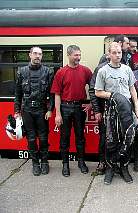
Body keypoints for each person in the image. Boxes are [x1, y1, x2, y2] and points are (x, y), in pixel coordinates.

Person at [95, 42, 138, 185]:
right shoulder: (102, 71)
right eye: (114, 53)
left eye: (119, 53)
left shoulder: (127, 69)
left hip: (127, 109)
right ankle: (110, 169)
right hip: (112, 109)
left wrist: (137, 109)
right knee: (111, 141)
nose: (117, 55)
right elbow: (97, 92)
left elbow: (132, 90)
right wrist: (114, 96)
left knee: (127, 139)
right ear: (108, 54)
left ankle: (124, 168)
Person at [51, 45, 92, 177]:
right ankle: (65, 165)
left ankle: (81, 162)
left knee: (80, 138)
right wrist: (57, 114)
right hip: (65, 108)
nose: (78, 58)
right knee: (65, 138)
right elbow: (56, 94)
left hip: (80, 107)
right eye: (76, 55)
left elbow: (95, 88)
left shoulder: (86, 71)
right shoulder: (61, 72)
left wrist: (91, 103)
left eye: (79, 55)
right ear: (68, 55)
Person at [14, 46, 54, 176]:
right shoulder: (22, 71)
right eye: (35, 53)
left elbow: (52, 93)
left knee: (43, 138)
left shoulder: (48, 72)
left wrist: (50, 109)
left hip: (42, 110)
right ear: (30, 55)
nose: (38, 56)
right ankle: (35, 163)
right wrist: (17, 111)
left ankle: (44, 162)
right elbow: (17, 93)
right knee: (31, 138)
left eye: (40, 54)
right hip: (27, 110)